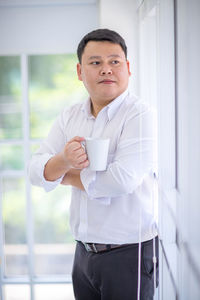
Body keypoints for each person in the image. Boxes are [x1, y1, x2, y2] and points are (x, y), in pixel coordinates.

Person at [29, 28, 159, 300]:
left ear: (128, 68)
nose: (106, 70)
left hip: (128, 254)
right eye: (95, 62)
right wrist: (63, 160)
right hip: (83, 255)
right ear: (80, 71)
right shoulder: (70, 116)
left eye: (114, 61)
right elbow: (34, 171)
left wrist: (64, 175)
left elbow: (121, 181)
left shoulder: (140, 114)